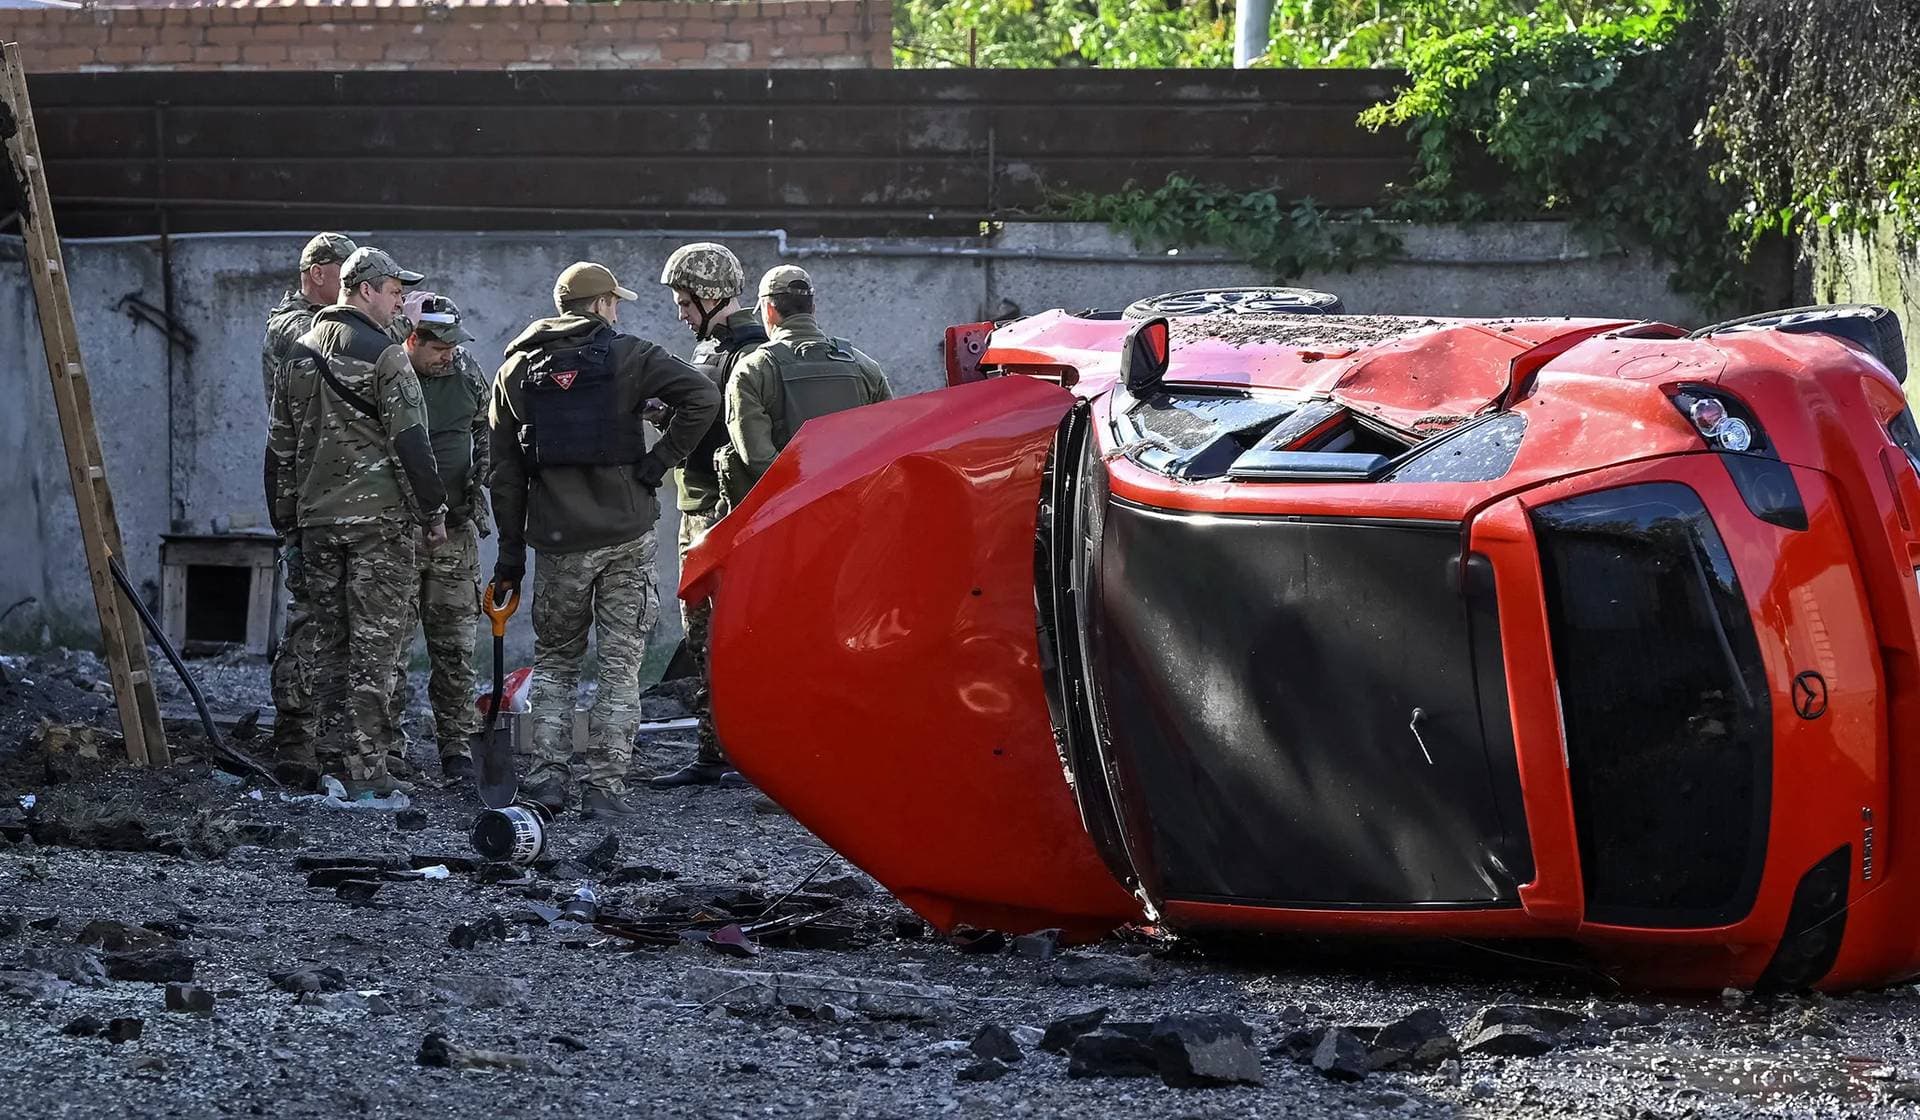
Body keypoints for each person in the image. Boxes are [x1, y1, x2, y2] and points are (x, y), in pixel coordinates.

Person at [488, 262, 721, 819]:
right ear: (601, 306)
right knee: (620, 669)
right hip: (626, 535)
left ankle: (546, 782)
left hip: (559, 541)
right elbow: (703, 398)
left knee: (555, 663)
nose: (617, 310)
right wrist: (658, 463)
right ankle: (605, 791)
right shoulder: (633, 356)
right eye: (614, 302)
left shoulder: (516, 368)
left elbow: (505, 470)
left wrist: (511, 553)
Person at [265, 247, 447, 797]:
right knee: (376, 648)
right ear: (364, 289)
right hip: (378, 525)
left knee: (329, 644)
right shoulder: (386, 354)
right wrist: (434, 511)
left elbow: (280, 448)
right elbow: (411, 441)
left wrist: (288, 523)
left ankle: (327, 764)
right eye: (394, 292)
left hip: (317, 524)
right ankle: (368, 771)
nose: (400, 303)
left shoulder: (297, 352)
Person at [648, 243, 766, 789]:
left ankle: (745, 753)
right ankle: (715, 751)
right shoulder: (713, 349)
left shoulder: (749, 353)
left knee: (730, 635)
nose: (680, 313)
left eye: (684, 302)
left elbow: (730, 427)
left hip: (724, 510)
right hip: (700, 505)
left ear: (709, 295)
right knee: (701, 637)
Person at [262, 232, 355, 785]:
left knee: (349, 617)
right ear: (317, 272)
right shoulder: (291, 324)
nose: (349, 289)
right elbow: (330, 345)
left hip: (343, 486)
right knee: (309, 614)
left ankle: (336, 735)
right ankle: (296, 736)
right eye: (345, 276)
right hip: (301, 486)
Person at [387, 294, 491, 785]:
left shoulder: (468, 374)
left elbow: (485, 429)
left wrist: (481, 478)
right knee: (392, 650)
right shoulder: (388, 375)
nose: (448, 353)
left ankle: (456, 748)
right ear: (414, 339)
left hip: (456, 533)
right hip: (398, 532)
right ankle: (389, 748)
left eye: (454, 343)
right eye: (439, 346)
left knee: (455, 650)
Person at [716, 265, 894, 507]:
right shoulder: (864, 366)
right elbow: (890, 445)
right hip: (857, 514)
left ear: (768, 311)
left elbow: (757, 459)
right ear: (813, 308)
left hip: (790, 521)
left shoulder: (753, 371)